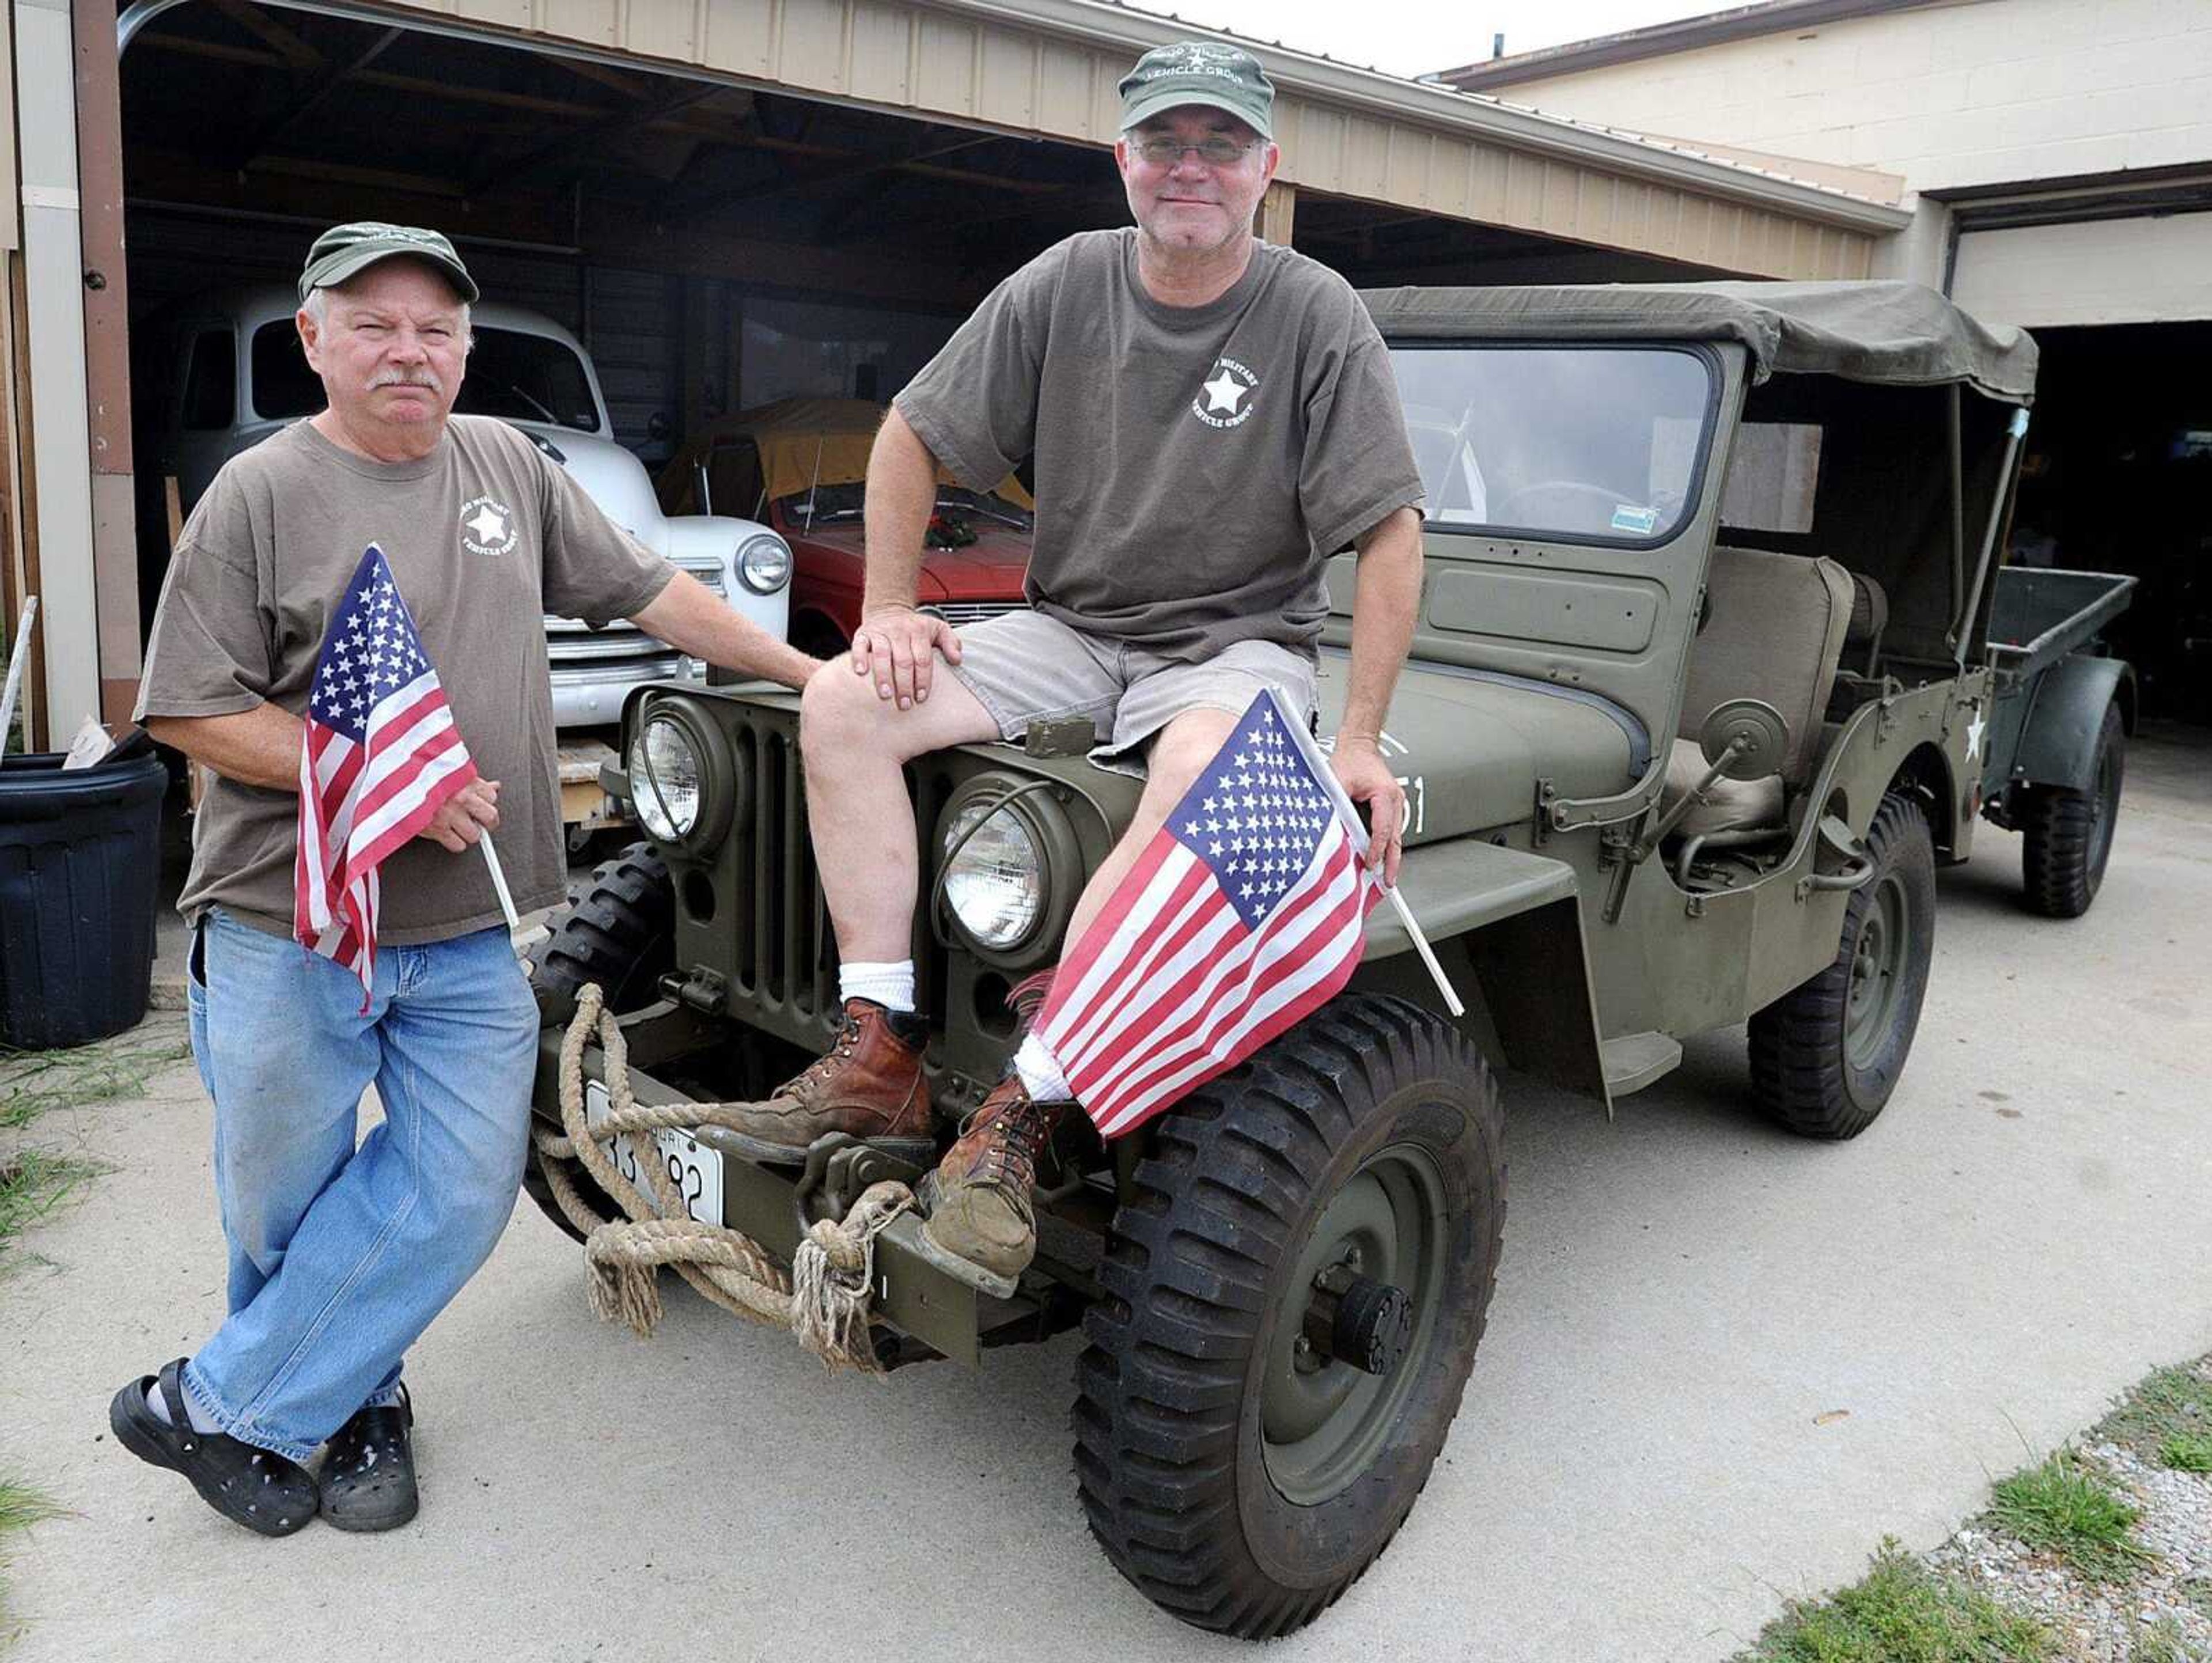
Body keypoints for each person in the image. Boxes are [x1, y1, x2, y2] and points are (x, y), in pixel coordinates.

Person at [109, 221, 817, 1536]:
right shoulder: (254, 498)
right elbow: (189, 714)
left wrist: (814, 677)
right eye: (371, 324)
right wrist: (380, 776)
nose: (407, 352)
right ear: (314, 338)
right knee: (288, 1203)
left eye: (435, 328)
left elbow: (656, 590)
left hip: (472, 926)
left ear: (468, 346)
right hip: (292, 921)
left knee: (458, 1187)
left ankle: (207, 1404)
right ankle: (350, 1401)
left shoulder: (505, 462)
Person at [718, 42, 1426, 1291]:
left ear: (1266, 167)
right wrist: (885, 606)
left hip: (1235, 640)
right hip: (1075, 625)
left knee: (1208, 767)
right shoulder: (1064, 284)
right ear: (1124, 162)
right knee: (841, 698)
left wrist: (1358, 736)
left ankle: (1025, 1111)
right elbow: (911, 436)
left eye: (1219, 145)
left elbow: (1387, 530)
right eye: (1165, 144)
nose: (1190, 168)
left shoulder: (1317, 311)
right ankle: (878, 1050)